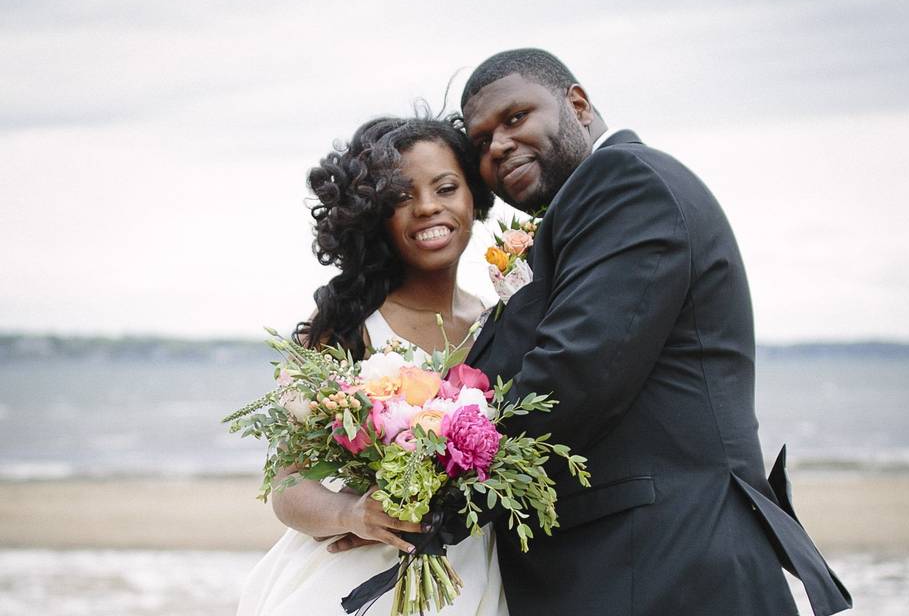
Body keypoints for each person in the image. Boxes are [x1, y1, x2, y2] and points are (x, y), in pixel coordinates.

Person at [454, 48, 853, 616]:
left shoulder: (623, 182)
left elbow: (576, 375)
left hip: (665, 565)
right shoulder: (587, 208)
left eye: (515, 118)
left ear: (578, 104)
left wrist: (442, 474)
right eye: (480, 141)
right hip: (638, 565)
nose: (496, 145)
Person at [236, 116, 508, 616]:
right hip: (353, 581)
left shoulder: (503, 322)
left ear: (474, 197)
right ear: (376, 214)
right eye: (402, 197)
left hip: (471, 580)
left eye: (446, 187)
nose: (428, 207)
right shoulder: (346, 325)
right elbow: (287, 485)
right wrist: (353, 512)